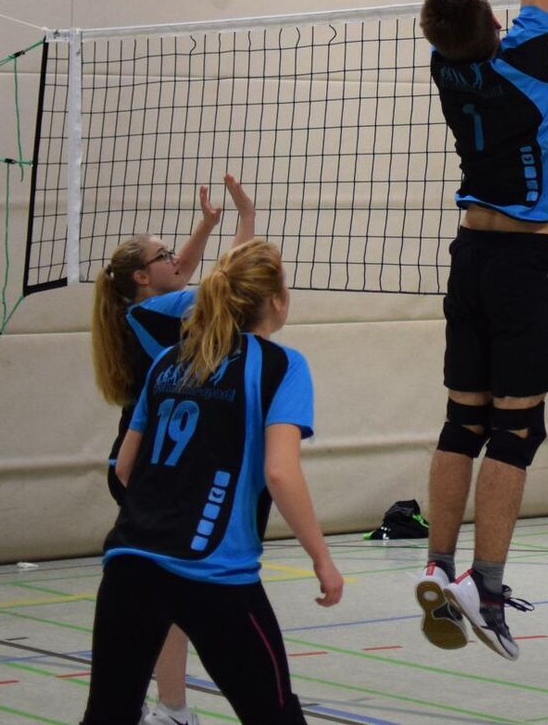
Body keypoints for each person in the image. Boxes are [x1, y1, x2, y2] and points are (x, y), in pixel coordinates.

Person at [413, 0, 548, 661]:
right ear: (494, 20)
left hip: (469, 259)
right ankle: (484, 581)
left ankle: (440, 564)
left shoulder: (449, 66)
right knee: (516, 432)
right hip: (521, 263)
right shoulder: (521, 55)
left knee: (461, 423)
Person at [81, 239, 343, 724]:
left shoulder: (169, 360)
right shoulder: (282, 365)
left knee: (108, 714)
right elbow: (281, 471)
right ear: (278, 301)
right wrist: (322, 559)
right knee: (276, 714)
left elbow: (124, 467)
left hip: (130, 560)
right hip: (212, 571)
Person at [89, 175, 254, 725]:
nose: (177, 258)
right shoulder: (157, 313)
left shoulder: (147, 307)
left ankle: (164, 707)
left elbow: (182, 272)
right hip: (148, 465)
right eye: (164, 254)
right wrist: (244, 220)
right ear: (142, 277)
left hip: (150, 460)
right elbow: (226, 281)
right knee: (167, 598)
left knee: (160, 597)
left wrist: (205, 224)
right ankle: (164, 707)